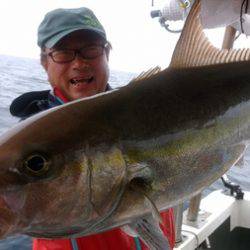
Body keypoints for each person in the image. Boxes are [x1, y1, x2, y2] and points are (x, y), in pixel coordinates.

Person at [10, 7, 175, 250]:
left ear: (107, 53)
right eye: (63, 53)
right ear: (45, 62)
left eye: (91, 49)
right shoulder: (35, 144)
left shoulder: (145, 113)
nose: (79, 63)